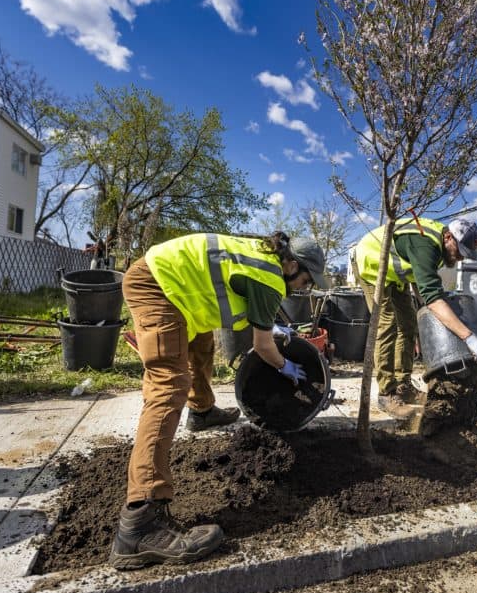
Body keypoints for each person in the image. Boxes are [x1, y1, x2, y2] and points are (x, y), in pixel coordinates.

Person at [110, 232, 330, 570]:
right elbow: (262, 347)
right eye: (305, 279)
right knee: (167, 389)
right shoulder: (270, 275)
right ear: (292, 264)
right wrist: (286, 367)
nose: (304, 287)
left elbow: (252, 312)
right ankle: (139, 522)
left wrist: (275, 329)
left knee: (201, 343)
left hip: (174, 285)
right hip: (156, 285)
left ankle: (202, 411)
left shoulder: (265, 260)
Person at [352, 216, 477, 416]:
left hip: (395, 275)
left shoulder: (437, 247)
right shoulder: (426, 246)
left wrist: (436, 307)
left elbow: (425, 290)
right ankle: (386, 392)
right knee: (387, 323)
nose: (461, 258)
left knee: (409, 323)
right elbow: (433, 299)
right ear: (448, 238)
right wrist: (468, 337)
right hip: (372, 263)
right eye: (460, 252)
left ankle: (403, 384)